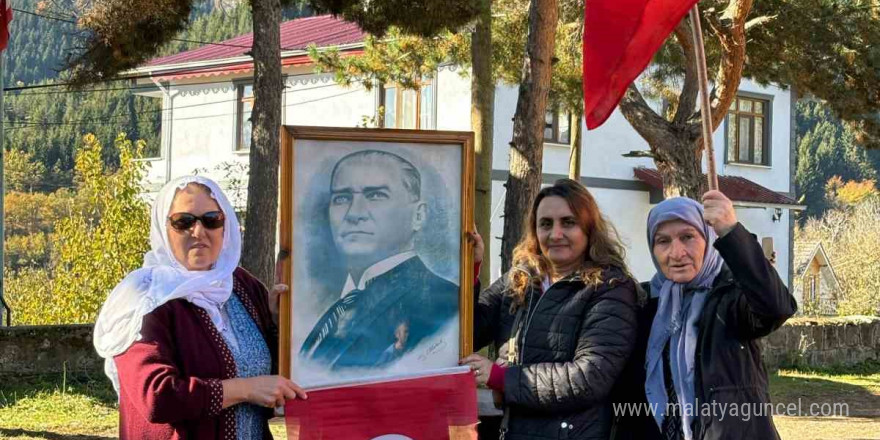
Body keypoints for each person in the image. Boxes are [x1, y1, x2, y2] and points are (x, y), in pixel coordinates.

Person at [93, 176, 307, 440]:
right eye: (183, 222)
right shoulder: (145, 297)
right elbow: (156, 397)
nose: (198, 232)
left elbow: (275, 378)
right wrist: (244, 389)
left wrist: (276, 322)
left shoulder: (242, 286)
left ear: (224, 226)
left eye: (211, 220)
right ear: (163, 228)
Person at [461, 179, 639, 440]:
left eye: (568, 222)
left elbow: (589, 377)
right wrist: (469, 269)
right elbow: (468, 333)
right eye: (545, 224)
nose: (555, 234)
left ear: (589, 229)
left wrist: (500, 377)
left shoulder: (611, 288)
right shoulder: (521, 278)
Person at [613, 191, 797, 440]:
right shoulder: (643, 302)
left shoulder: (730, 295)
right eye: (663, 241)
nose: (676, 253)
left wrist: (731, 232)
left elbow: (776, 308)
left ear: (709, 239)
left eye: (688, 237)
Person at [299, 149, 458, 370]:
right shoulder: (338, 305)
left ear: (418, 215)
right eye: (342, 198)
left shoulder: (443, 302)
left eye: (376, 195)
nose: (354, 213)